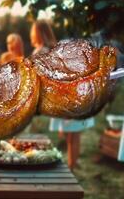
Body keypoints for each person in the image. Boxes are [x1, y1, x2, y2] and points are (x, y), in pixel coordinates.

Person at [30, 19, 94, 170]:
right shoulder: (50, 48)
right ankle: (73, 162)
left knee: (73, 132)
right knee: (71, 133)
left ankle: (72, 164)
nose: (31, 34)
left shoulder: (44, 50)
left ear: (38, 33)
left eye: (33, 31)